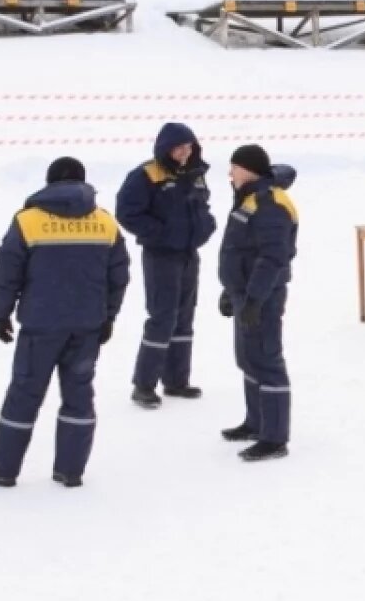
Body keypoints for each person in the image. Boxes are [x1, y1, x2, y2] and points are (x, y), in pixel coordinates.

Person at [0, 157, 130, 488]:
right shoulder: (105, 222)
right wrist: (108, 315)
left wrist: (0, 312)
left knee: (24, 396)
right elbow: (119, 276)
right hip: (86, 326)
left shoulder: (28, 221)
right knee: (79, 397)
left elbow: (7, 271)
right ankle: (70, 471)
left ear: (49, 183)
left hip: (41, 327)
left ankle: (2, 470)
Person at [117, 123, 217, 409]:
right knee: (162, 317)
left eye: (189, 147)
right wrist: (160, 233)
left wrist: (205, 227)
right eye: (179, 147)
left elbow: (202, 207)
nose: (185, 152)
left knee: (185, 317)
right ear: (165, 148)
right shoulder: (146, 175)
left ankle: (176, 380)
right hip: (160, 255)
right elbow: (127, 213)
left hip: (189, 254)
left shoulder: (195, 174)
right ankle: (144, 384)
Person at [217, 145, 298, 463]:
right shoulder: (249, 198)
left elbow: (272, 257)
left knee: (267, 361)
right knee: (248, 359)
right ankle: (256, 422)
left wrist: (253, 298)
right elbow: (239, 249)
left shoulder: (271, 204)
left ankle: (275, 437)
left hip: (262, 295)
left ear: (248, 169)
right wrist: (230, 290)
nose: (230, 174)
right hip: (244, 293)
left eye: (234, 168)